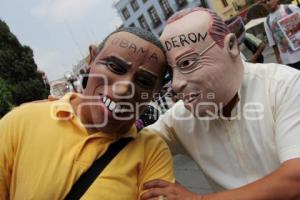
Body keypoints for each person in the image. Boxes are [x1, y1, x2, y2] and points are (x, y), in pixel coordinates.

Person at [140, 7, 300, 200]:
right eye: (171, 72)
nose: (176, 84)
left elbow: (294, 178)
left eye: (187, 63)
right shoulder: (179, 119)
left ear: (231, 46)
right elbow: (132, 147)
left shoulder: (285, 86)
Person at [0, 27, 175, 199]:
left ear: (156, 92)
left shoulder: (152, 151)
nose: (123, 90)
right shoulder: (21, 122)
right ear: (91, 58)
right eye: (115, 67)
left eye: (144, 81)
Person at [263, 0, 300, 69]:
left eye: (269, 0)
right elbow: (273, 43)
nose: (267, 3)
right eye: (264, 2)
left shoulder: (290, 8)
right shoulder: (267, 21)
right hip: (288, 61)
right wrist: (278, 59)